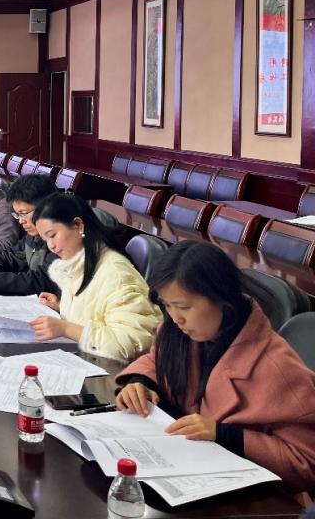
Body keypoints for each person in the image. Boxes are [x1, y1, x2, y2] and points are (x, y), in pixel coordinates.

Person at [116, 240, 315, 491]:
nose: (176, 318)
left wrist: (225, 435)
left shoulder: (278, 368)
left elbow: (306, 464)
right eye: (167, 305)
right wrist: (141, 382)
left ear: (221, 297)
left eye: (183, 306)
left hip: (253, 497)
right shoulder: (180, 331)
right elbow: (157, 359)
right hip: (189, 471)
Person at [30, 193, 160, 361]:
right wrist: (61, 306)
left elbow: (128, 344)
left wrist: (65, 328)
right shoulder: (80, 262)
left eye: (53, 235)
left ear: (78, 225)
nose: (51, 246)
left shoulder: (116, 274)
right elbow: (96, 313)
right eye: (45, 239)